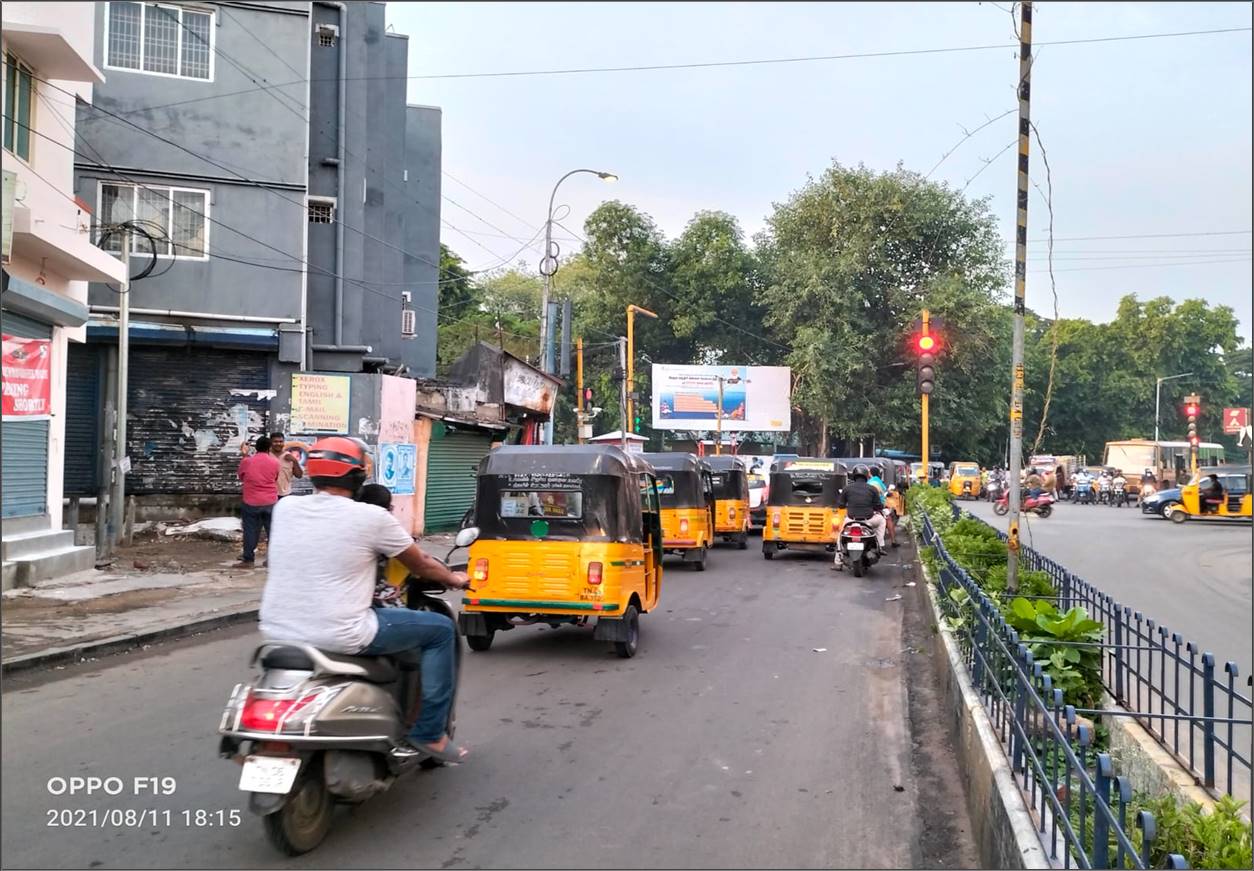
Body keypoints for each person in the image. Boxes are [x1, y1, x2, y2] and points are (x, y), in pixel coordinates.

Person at [259, 437, 472, 763]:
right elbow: (423, 564)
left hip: (276, 632)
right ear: (358, 478)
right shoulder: (373, 518)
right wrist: (455, 578)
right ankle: (430, 734)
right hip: (343, 632)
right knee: (441, 630)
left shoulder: (284, 508)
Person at [236, 435, 280, 568]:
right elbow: (275, 477)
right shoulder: (275, 462)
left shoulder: (247, 461)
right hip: (270, 501)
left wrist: (244, 455)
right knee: (272, 531)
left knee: (250, 531)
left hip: (251, 501)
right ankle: (271, 560)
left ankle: (248, 560)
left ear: (256, 448)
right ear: (269, 448)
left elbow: (241, 477)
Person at [832, 464, 885, 569]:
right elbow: (879, 506)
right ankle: (880, 545)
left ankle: (838, 562)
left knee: (840, 536)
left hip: (850, 520)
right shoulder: (872, 489)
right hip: (868, 520)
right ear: (866, 476)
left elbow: (841, 505)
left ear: (854, 475)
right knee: (882, 521)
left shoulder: (847, 488)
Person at [270, 431, 304, 498]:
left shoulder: (289, 456)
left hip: (285, 495)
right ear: (270, 442)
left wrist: (294, 461)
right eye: (275, 441)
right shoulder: (266, 455)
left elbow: (299, 475)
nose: (278, 444)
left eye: (281, 441)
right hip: (269, 493)